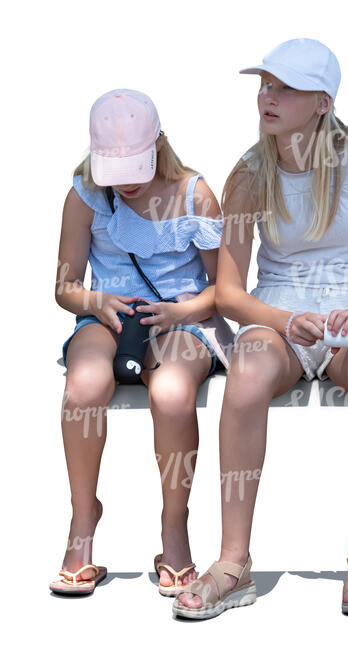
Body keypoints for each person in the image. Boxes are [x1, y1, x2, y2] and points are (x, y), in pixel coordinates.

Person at [174, 38, 348, 618]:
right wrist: (286, 320)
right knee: (244, 377)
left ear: (321, 101)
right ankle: (233, 562)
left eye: (284, 87)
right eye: (265, 84)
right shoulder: (247, 170)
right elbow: (233, 293)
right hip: (278, 315)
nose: (267, 95)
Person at [50, 88, 235, 596]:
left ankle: (174, 526)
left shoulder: (195, 194)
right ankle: (83, 521)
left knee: (172, 393)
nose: (126, 183)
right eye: (115, 170)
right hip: (109, 315)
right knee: (83, 387)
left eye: (135, 167)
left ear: (158, 146)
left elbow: (225, 290)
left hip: (183, 316)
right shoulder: (84, 195)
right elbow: (65, 288)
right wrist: (95, 302)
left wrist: (183, 311)